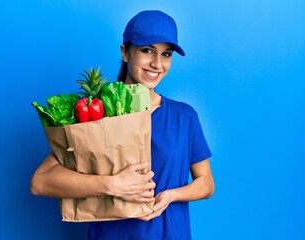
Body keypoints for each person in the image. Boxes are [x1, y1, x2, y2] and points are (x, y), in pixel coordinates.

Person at [31, 10, 214, 240]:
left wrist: (171, 195)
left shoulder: (184, 116)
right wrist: (112, 185)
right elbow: (41, 182)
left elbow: (206, 183)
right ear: (125, 52)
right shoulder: (98, 113)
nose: (157, 64)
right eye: (147, 50)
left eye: (166, 54)